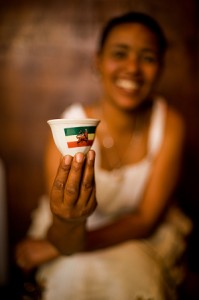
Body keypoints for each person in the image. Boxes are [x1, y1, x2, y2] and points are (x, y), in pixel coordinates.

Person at [15, 11, 192, 300]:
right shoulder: (68, 128)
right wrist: (66, 230)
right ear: (97, 61)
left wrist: (56, 248)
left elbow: (146, 220)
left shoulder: (169, 123)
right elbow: (63, 226)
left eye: (147, 57)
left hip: (139, 239)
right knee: (70, 275)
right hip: (71, 235)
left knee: (134, 273)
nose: (133, 68)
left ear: (160, 67)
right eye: (120, 54)